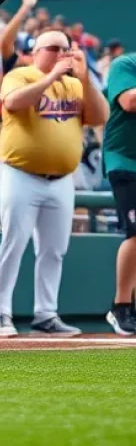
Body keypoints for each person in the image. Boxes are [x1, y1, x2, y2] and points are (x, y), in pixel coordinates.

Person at [0, 31, 109, 337]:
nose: (61, 54)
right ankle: (1, 312)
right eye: (54, 48)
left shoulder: (74, 85)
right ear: (36, 51)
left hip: (61, 179)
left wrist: (84, 79)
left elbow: (99, 116)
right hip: (20, 173)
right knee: (14, 242)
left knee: (54, 250)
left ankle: (46, 314)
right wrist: (52, 76)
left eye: (66, 49)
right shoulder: (21, 74)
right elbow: (14, 102)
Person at [103, 51, 136, 335]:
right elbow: (130, 101)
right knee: (135, 232)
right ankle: (121, 306)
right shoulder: (125, 64)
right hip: (125, 161)